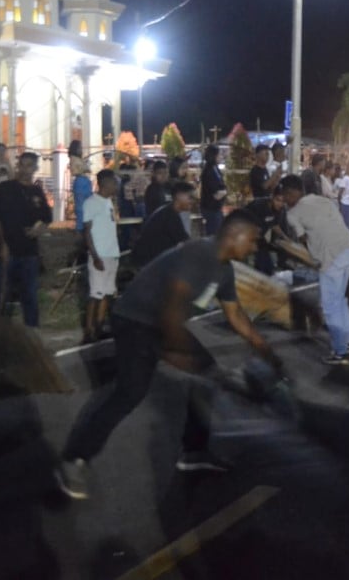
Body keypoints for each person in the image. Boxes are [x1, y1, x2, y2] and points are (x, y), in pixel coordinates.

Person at [56, 212, 283, 499]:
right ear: (233, 234)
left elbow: (235, 315)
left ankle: (194, 451)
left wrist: (265, 350)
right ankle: (73, 459)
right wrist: (176, 353)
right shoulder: (199, 253)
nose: (254, 247)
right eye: (252, 240)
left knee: (207, 375)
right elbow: (171, 313)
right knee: (130, 393)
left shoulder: (224, 270)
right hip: (135, 320)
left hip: (161, 323)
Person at [281, 175, 349, 365]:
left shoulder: (293, 213)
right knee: (340, 299)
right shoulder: (323, 200)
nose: (284, 200)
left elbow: (303, 239)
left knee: (330, 306)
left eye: (285, 196)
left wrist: (312, 258)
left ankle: (340, 351)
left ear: (291, 193)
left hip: (330, 257)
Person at [0, 152, 52, 327]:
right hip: (9, 251)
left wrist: (38, 229)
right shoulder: (6, 188)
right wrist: (3, 245)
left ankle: (32, 331)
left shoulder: (37, 191)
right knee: (2, 293)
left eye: (29, 165)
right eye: (22, 165)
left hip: (29, 252)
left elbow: (47, 217)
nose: (24, 169)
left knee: (30, 294)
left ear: (35, 168)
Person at [82, 170, 120, 343]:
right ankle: (89, 329)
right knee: (96, 293)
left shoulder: (109, 201)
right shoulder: (91, 203)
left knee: (107, 292)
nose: (116, 186)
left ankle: (99, 325)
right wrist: (95, 256)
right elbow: (87, 232)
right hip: (100, 255)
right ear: (105, 183)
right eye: (114, 182)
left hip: (112, 253)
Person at [133, 181, 195, 267]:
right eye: (190, 197)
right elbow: (186, 241)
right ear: (179, 196)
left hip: (151, 260)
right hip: (150, 263)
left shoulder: (168, 211)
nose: (192, 201)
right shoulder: (170, 215)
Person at [244, 186, 291, 275]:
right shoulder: (259, 205)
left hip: (259, 236)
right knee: (260, 263)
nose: (280, 204)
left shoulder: (280, 209)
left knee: (268, 268)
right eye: (278, 200)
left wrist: (286, 238)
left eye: (283, 201)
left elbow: (275, 225)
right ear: (272, 197)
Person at [200, 144, 227, 236]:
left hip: (216, 208)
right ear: (213, 156)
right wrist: (224, 191)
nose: (221, 156)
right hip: (211, 209)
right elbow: (216, 195)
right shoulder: (209, 171)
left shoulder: (215, 168)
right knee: (214, 235)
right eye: (219, 154)